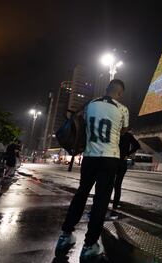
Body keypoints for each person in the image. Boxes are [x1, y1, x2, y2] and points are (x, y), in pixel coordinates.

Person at [55, 79, 129, 261]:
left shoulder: (90, 105)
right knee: (101, 201)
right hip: (110, 158)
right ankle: (89, 245)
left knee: (81, 194)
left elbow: (85, 125)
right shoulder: (123, 109)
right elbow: (122, 132)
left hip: (89, 157)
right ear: (120, 93)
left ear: (106, 89)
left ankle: (65, 235)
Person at [110, 129, 140, 217]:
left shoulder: (114, 133)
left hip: (113, 160)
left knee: (108, 183)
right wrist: (127, 153)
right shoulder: (128, 135)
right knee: (118, 185)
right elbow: (137, 145)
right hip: (122, 162)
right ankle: (115, 206)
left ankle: (104, 203)